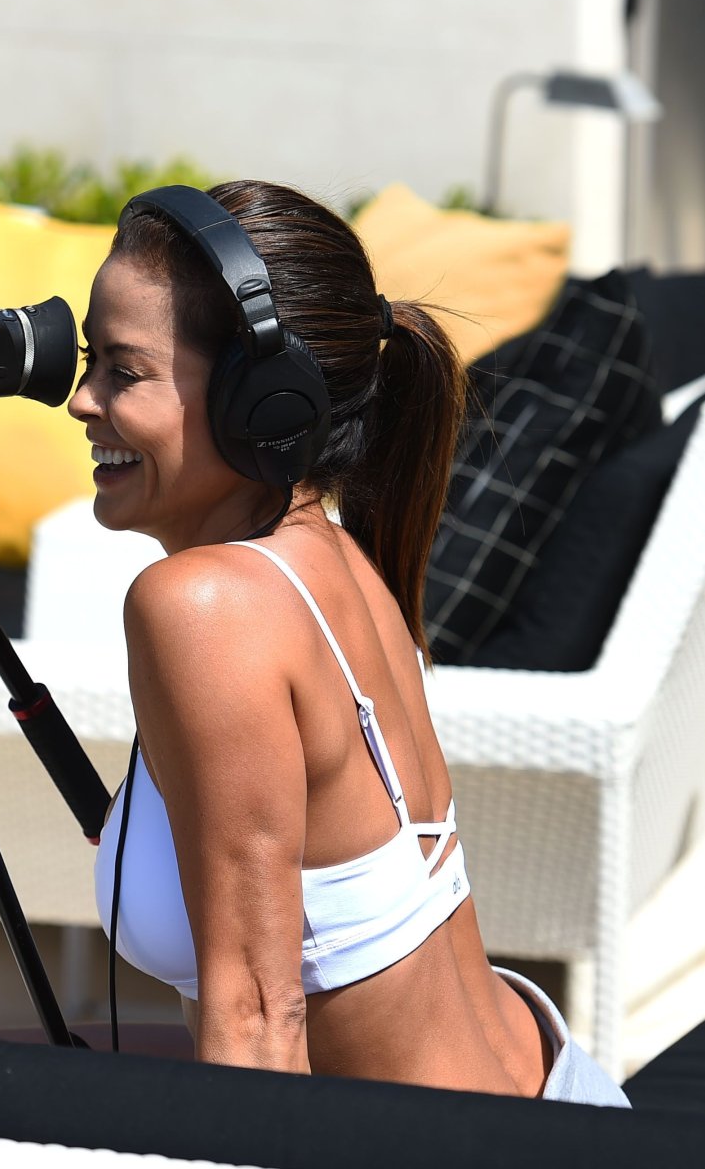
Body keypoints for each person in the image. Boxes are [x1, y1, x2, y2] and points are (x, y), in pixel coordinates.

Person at [68, 180, 629, 1106]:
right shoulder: (337, 555)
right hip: (556, 1099)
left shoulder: (205, 607)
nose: (81, 401)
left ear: (263, 403)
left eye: (123, 372)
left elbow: (259, 1019)